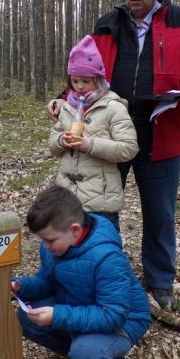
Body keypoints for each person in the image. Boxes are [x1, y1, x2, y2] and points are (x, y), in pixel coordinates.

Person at [47, 0, 180, 310]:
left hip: (163, 134)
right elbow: (86, 74)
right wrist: (63, 100)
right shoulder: (107, 24)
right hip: (107, 134)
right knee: (99, 209)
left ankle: (159, 284)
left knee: (160, 214)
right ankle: (107, 276)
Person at [12, 186, 152, 359]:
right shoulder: (55, 245)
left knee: (87, 354)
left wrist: (57, 315)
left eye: (50, 240)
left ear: (75, 231)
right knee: (26, 316)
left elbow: (112, 315)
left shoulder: (106, 258)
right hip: (82, 305)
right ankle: (82, 352)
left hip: (125, 320)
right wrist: (21, 287)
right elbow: (47, 282)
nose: (46, 246)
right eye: (42, 240)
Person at [49, 35, 138, 230]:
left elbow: (129, 148)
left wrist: (91, 145)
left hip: (101, 201)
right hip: (68, 196)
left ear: (98, 80)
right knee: (71, 249)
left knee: (102, 249)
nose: (79, 87)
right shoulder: (68, 107)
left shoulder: (113, 108)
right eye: (75, 81)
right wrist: (61, 141)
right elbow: (52, 145)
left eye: (85, 81)